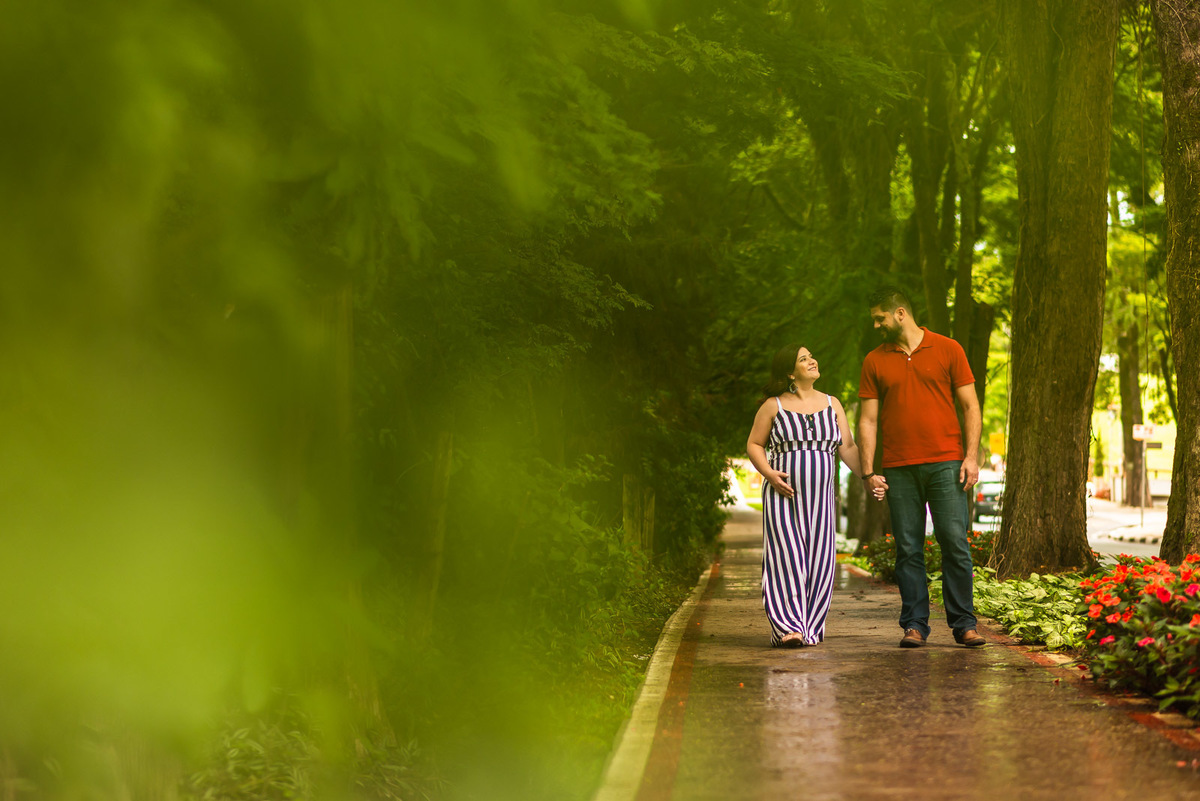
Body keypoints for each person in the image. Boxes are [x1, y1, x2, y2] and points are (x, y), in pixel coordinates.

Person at [857, 287, 985, 648]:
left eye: (880, 318)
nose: (877, 325)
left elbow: (971, 407)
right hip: (898, 467)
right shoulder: (874, 360)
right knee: (908, 549)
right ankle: (914, 624)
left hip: (946, 463)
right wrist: (869, 471)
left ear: (900, 314)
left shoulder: (949, 348)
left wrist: (971, 457)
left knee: (955, 543)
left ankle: (964, 624)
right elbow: (867, 421)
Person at [746, 343, 877, 647]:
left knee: (820, 561)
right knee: (787, 559)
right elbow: (754, 444)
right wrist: (769, 474)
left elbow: (848, 449)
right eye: (802, 359)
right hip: (783, 496)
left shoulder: (833, 404)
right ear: (790, 372)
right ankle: (787, 627)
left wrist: (868, 476)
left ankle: (810, 625)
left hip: (821, 500)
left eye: (811, 356)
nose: (812, 361)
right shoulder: (773, 406)